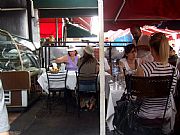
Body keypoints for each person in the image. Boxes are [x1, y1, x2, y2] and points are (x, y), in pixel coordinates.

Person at [136, 32, 179, 134]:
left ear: (151, 49)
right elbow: (172, 93)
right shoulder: (174, 71)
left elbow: (137, 97)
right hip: (166, 115)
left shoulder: (143, 69)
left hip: (146, 116)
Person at [77, 45, 99, 110]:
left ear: (84, 51)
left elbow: (78, 69)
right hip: (93, 85)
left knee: (76, 89)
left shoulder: (79, 60)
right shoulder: (95, 60)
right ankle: (92, 102)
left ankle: (84, 102)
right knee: (98, 87)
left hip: (81, 85)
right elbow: (97, 71)